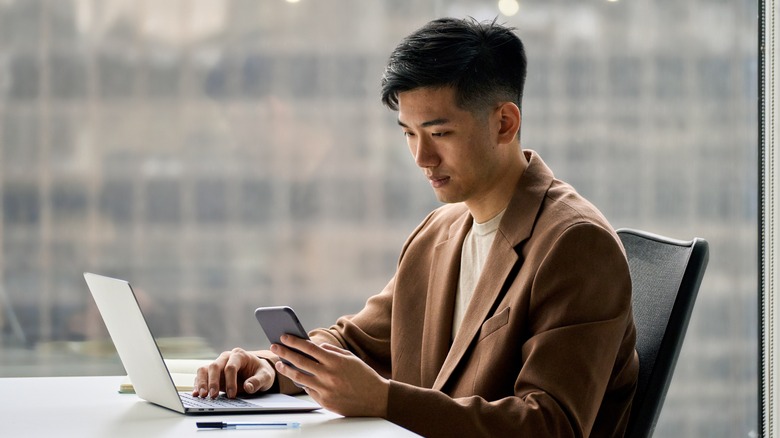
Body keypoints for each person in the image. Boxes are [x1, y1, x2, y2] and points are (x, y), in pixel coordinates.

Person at [193, 17, 639, 437]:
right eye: (408, 133)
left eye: (439, 133)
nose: (422, 158)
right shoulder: (440, 231)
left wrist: (385, 401)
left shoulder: (576, 243)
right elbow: (358, 342)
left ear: (504, 123)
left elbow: (551, 425)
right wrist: (273, 367)